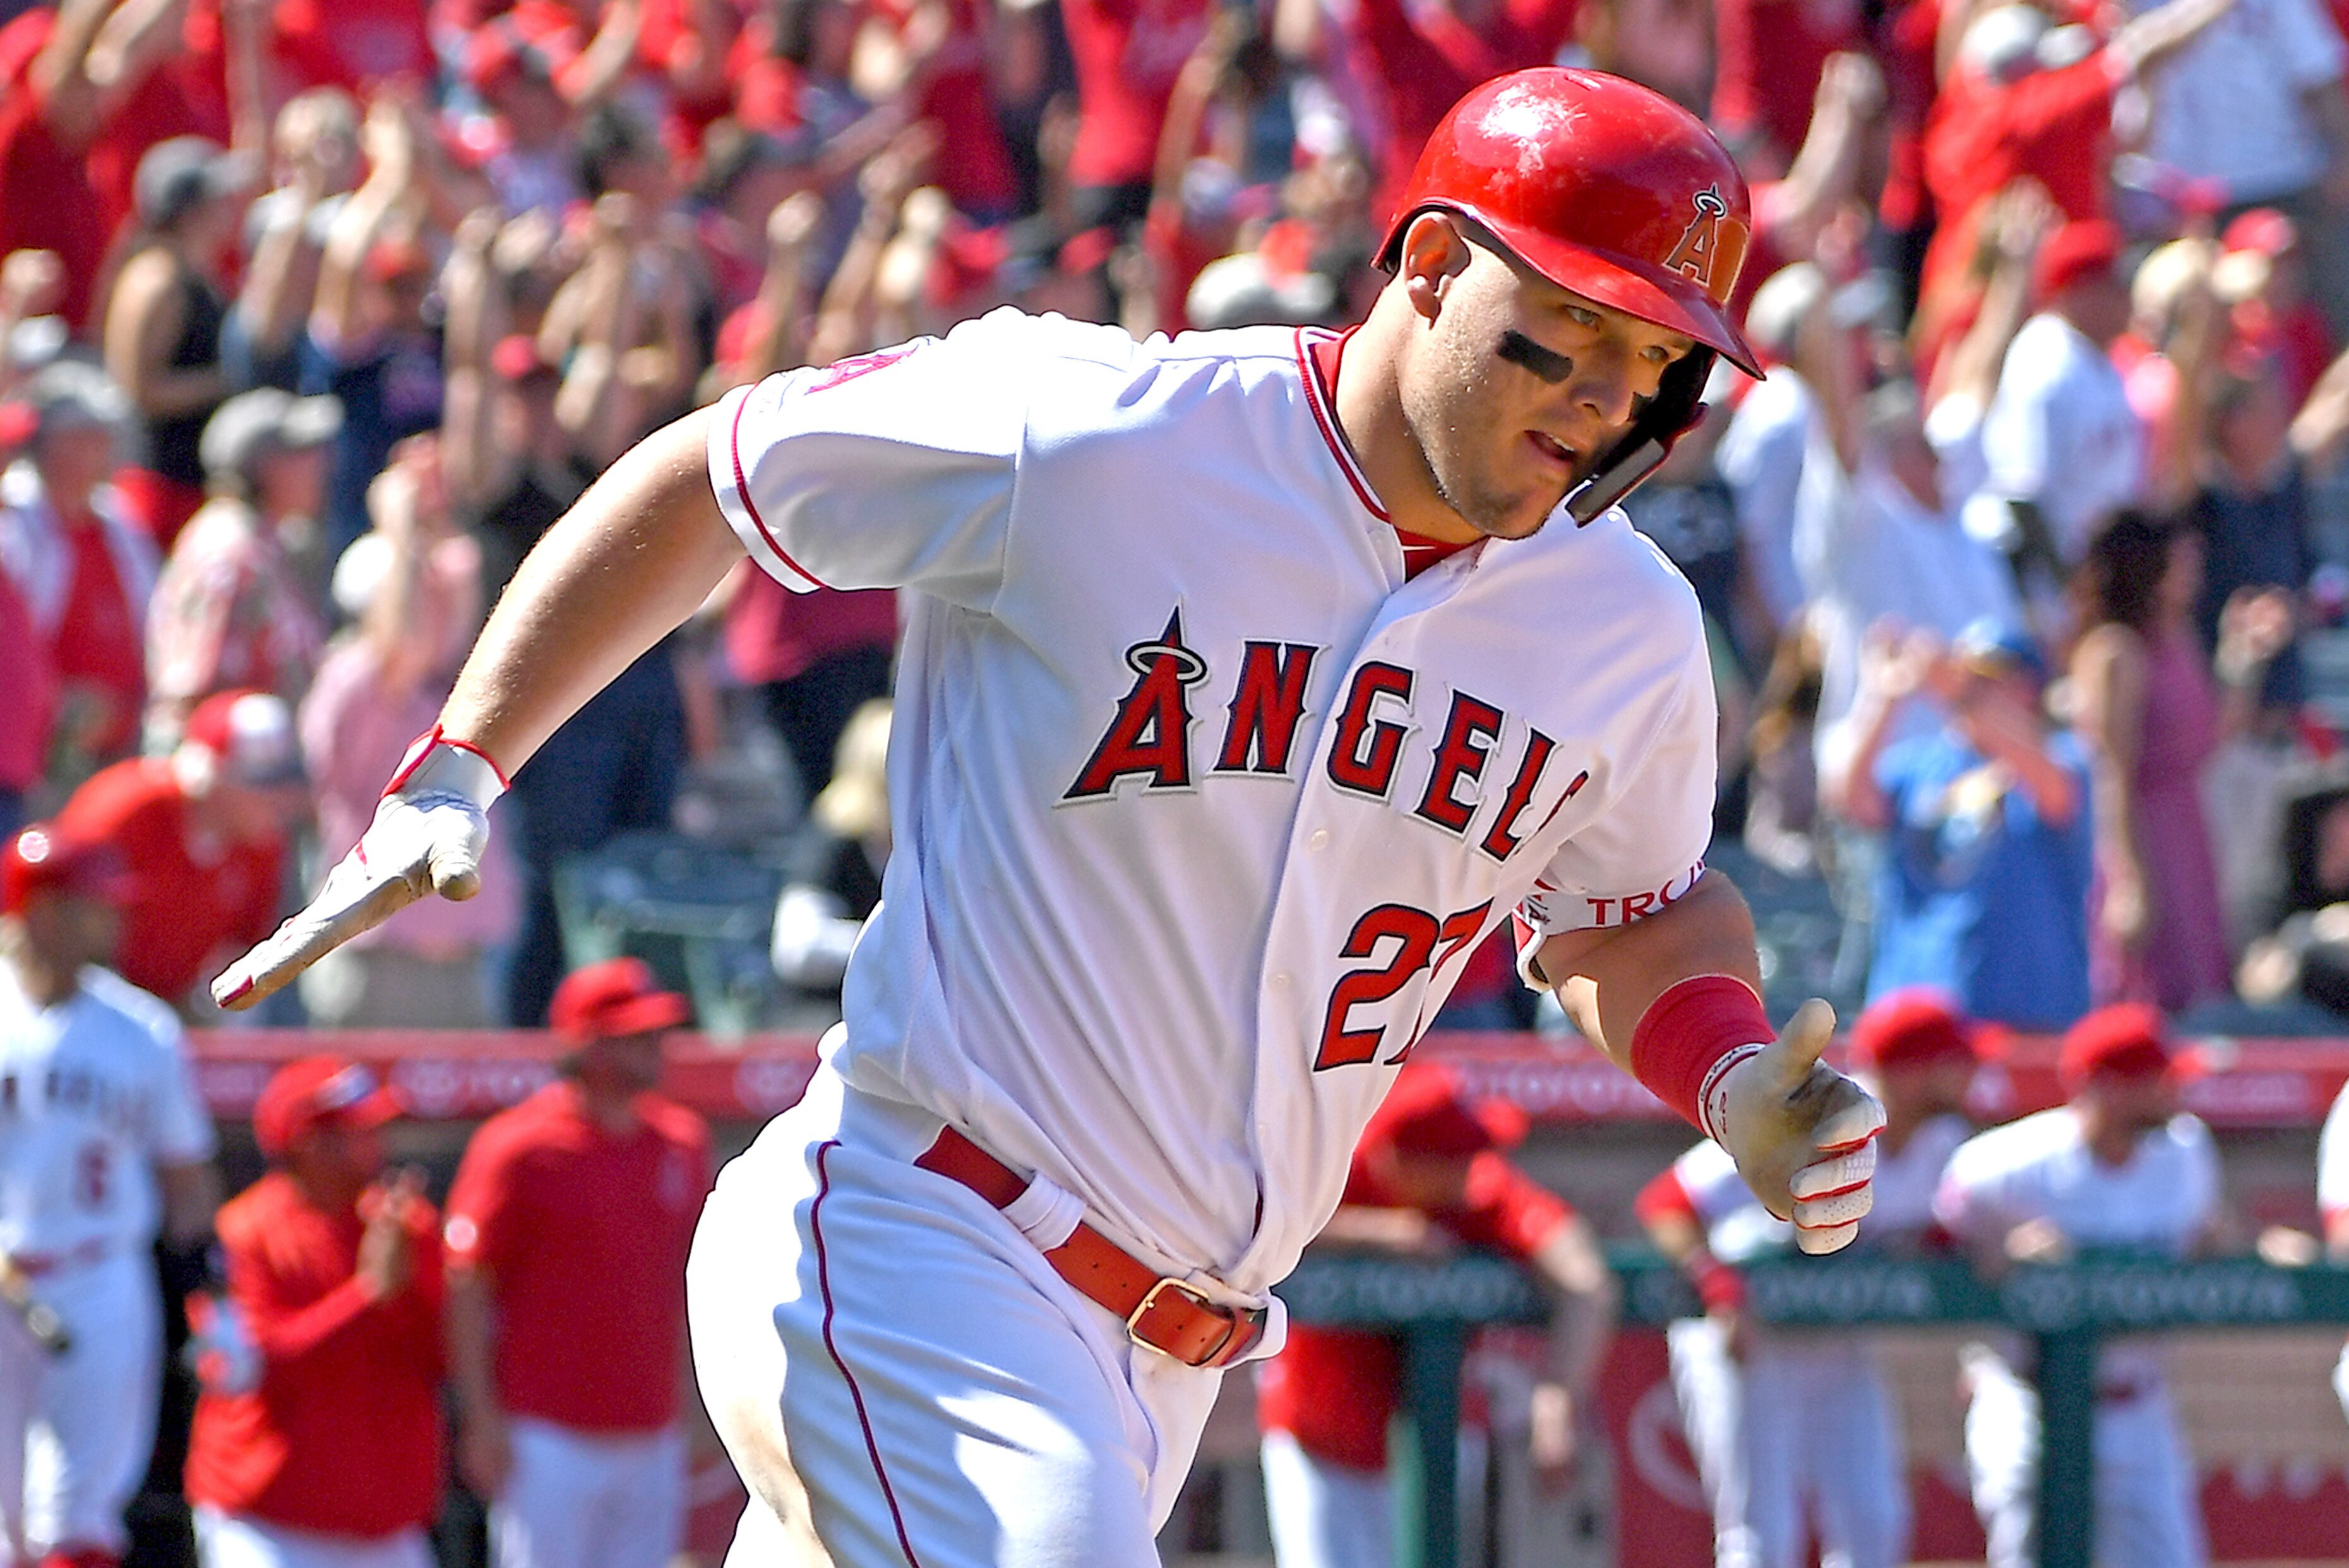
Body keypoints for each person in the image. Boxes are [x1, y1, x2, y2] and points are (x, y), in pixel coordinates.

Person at [215, 69, 1889, 1566]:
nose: (1607, 394)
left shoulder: (1627, 631)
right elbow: (719, 479)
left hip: (1170, 1355)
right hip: (920, 1230)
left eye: (1654, 360)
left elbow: (1628, 914)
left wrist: (1732, 1072)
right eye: (1573, 330)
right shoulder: (1100, 431)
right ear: (1433, 267)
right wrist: (464, 757)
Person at [1639, 988, 1979, 1568]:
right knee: (1764, 1536)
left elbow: (1938, 1232)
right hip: (1748, 1336)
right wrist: (1719, 1290)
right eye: (1955, 1062)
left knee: (1875, 1521)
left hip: (1835, 1339)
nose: (1971, 1075)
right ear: (1913, 1070)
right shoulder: (1812, 1113)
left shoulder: (1943, 1144)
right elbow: (1668, 1202)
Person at [1256, 1062, 1616, 1568]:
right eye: (1452, 1156)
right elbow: (1251, 1227)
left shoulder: (1480, 1188)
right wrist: (1380, 1233)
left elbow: (1585, 1279)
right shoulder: (1337, 1173)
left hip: (1431, 1439)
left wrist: (1557, 1394)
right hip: (1319, 1433)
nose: (1470, 1167)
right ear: (1399, 1158)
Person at [442, 958, 714, 1568]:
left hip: (651, 1428)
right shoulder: (519, 1145)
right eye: (635, 1034)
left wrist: (695, 1404)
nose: (655, 1047)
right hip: (546, 1433)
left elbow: (687, 1283)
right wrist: (480, 1419)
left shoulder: (682, 1141)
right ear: (588, 1044)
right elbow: (466, 1281)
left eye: (656, 1032)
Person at [0, 820, 220, 1568]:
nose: (115, 915)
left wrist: (206, 1295)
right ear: (45, 909)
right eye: (97, 902)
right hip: (3, 1274)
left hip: (98, 1272)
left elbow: (187, 1182)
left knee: (77, 1508)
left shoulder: (141, 1028)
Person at [1935, 1003, 2220, 1568]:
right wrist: (1999, 1249)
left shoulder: (2186, 1152)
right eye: (2154, 1080)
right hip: (2028, 1398)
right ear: (2106, 1087)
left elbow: (2205, 1239)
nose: (2173, 1091)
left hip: (2138, 1402)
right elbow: (1931, 1242)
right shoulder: (2005, 1164)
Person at [185, 1056, 443, 1568]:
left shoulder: (405, 1225)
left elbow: (446, 1356)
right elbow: (256, 1365)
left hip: (384, 1524)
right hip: (265, 1519)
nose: (379, 1145)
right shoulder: (243, 1231)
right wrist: (368, 1294)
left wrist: (412, 1279)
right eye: (360, 1131)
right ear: (308, 1141)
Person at [2070, 513, 2288, 1013]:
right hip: (2144, 834)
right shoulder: (2116, 653)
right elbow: (2113, 773)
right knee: (2152, 985)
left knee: (2198, 983)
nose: (2193, 570)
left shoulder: (2177, 640)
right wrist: (2127, 876)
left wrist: (2242, 658)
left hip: (2186, 829)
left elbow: (2210, 737)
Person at [1835, 619, 2094, 1031]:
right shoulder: (1920, 763)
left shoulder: (2063, 757)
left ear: (2029, 689)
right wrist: (1881, 697)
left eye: (1992, 680)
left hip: (2026, 1015)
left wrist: (1961, 690)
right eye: (1971, 678)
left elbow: (2056, 794)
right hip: (1915, 1012)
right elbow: (1851, 798)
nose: (1970, 693)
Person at [54, 689, 308, 1014]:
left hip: (180, 1004)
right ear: (211, 774)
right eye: (260, 784)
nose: (278, 801)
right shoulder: (126, 808)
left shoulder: (262, 844)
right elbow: (58, 915)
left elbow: (244, 947)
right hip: (86, 995)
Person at [144, 388, 339, 749]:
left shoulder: (265, 541)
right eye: (301, 454)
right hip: (220, 766)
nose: (320, 465)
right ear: (265, 466)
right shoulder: (229, 549)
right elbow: (195, 684)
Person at [0, 362, 157, 787]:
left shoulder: (120, 520)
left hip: (122, 737)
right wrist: (59, 703)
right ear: (48, 444)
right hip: (46, 744)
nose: (101, 449)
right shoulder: (13, 519)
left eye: (104, 437)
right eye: (84, 437)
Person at [102, 136, 251, 548]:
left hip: (188, 486)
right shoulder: (160, 281)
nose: (229, 209)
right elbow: (141, 390)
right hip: (162, 489)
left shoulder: (194, 274)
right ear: (191, 211)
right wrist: (230, 382)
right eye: (217, 199)